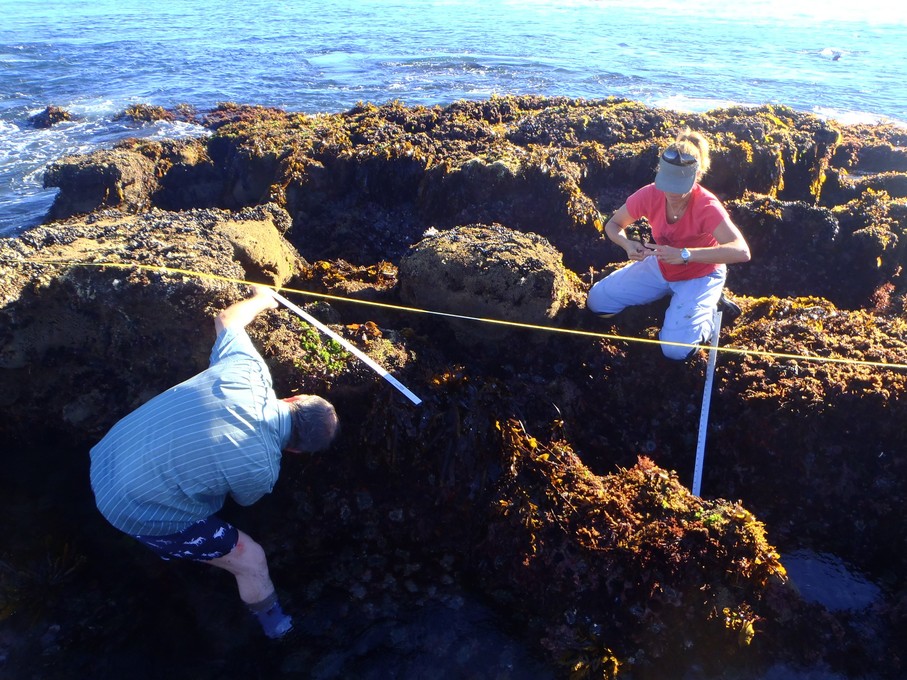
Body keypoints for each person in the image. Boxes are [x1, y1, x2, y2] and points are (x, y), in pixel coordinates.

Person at [89, 284, 339, 639]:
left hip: (105, 455)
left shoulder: (248, 371)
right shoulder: (264, 471)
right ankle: (276, 628)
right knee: (250, 559)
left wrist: (262, 299)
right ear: (295, 451)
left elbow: (225, 319)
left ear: (293, 397)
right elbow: (245, 501)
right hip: (130, 511)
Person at [586, 128, 751, 360]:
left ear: (696, 176)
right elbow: (613, 224)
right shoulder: (650, 194)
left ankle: (712, 308)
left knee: (675, 350)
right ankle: (674, 301)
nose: (671, 192)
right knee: (598, 303)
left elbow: (741, 251)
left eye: (679, 185)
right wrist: (627, 244)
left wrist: (686, 255)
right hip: (661, 265)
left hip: (700, 274)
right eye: (667, 182)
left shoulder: (707, 206)